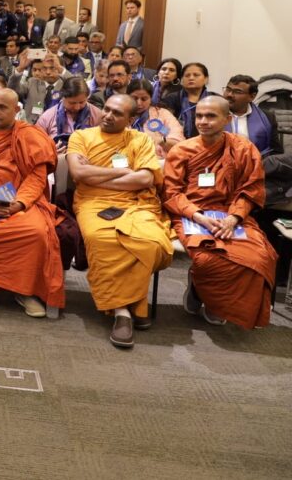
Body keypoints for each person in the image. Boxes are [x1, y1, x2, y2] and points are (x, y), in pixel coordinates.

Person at [67, 94, 173, 349]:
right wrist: (124, 171)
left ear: (131, 119)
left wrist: (97, 175)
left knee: (151, 243)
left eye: (117, 113)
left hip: (136, 203)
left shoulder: (140, 140)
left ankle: (133, 302)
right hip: (93, 203)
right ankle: (124, 313)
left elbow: (145, 180)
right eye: (106, 109)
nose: (108, 115)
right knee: (101, 238)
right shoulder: (81, 137)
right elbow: (78, 173)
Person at [163, 96, 278, 329]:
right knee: (206, 258)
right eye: (199, 116)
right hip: (191, 214)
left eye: (211, 116)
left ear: (227, 119)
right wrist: (198, 215)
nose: (203, 121)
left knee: (260, 257)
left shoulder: (244, 149)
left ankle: (217, 303)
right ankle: (199, 290)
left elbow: (251, 189)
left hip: (232, 214)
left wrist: (234, 217)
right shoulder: (182, 150)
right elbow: (171, 193)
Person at [0, 88, 64, 317]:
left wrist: (20, 203)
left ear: (17, 110)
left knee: (35, 232)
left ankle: (24, 290)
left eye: (1, 108)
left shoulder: (31, 136)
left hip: (22, 200)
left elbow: (37, 178)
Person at [35, 77, 102, 152]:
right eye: (72, 103)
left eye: (81, 102)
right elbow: (35, 145)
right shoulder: (47, 117)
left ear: (87, 97)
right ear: (63, 97)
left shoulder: (98, 115)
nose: (77, 107)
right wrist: (49, 151)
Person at [223, 75, 283, 157]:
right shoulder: (212, 114)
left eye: (237, 92)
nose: (229, 94)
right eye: (228, 89)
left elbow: (276, 151)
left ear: (252, 96)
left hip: (258, 164)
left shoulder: (267, 117)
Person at [127, 79, 184, 158]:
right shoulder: (119, 114)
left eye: (144, 99)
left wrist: (161, 140)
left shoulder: (163, 114)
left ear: (151, 99)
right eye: (134, 98)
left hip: (158, 160)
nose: (139, 103)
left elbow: (179, 144)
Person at [162, 62, 217, 138]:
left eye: (196, 75)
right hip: (177, 143)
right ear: (182, 80)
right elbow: (164, 124)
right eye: (187, 75)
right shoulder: (171, 99)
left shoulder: (215, 99)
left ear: (206, 79)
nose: (191, 78)